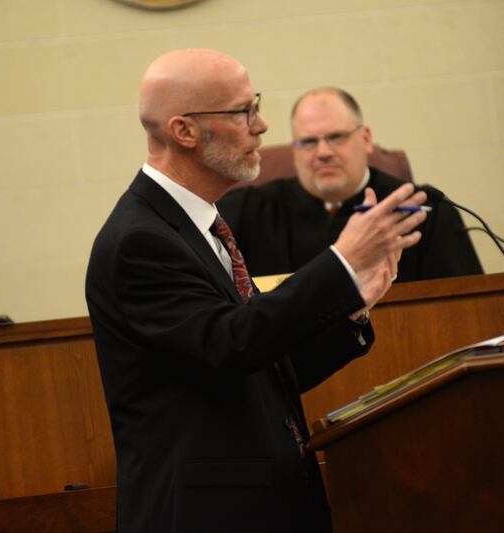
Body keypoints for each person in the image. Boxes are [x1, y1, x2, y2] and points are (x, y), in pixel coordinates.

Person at [85, 49, 427, 533]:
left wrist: (353, 307)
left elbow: (258, 371)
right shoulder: (140, 241)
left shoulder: (198, 224)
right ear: (184, 131)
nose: (262, 125)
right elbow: (228, 345)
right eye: (243, 111)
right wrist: (341, 262)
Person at [217, 87, 483, 281]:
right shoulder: (249, 211)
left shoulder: (424, 212)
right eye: (308, 142)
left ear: (366, 139)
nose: (323, 152)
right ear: (294, 149)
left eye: (336, 137)